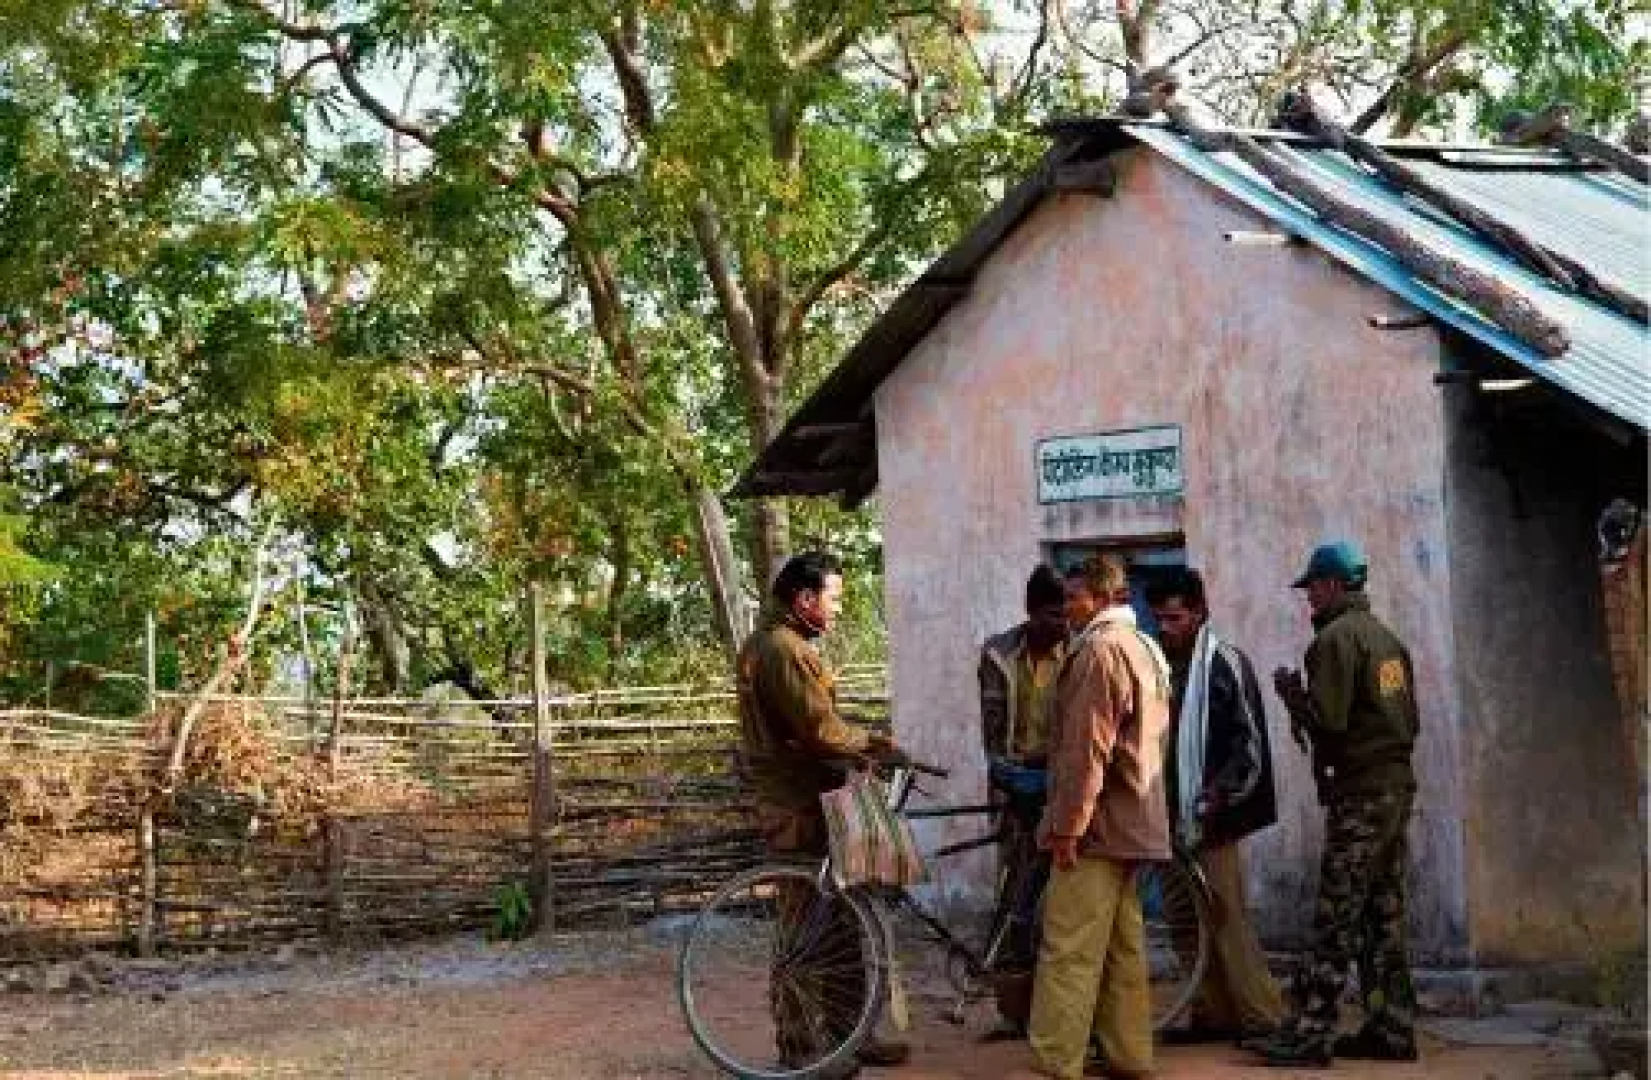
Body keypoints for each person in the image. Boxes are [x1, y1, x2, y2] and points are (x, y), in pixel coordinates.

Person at [1245, 541, 1421, 1067]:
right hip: (1394, 787)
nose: (1309, 599)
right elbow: (1406, 717)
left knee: (1336, 912)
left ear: (1334, 585)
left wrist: (1293, 698)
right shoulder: (1385, 639)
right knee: (1382, 913)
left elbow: (1331, 721)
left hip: (1362, 793)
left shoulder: (1335, 642)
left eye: (1314, 588)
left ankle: (1310, 1030)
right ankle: (1392, 1027)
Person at [735, 551, 911, 1077]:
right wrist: (877, 745)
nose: (836, 609)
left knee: (840, 922)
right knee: (804, 933)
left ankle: (849, 1036)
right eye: (833, 598)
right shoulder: (782, 650)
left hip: (819, 802)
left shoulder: (782, 645)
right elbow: (821, 731)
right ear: (804, 599)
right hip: (798, 809)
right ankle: (800, 1047)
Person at [1027, 554, 1173, 1080]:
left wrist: (1067, 828)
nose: (1067, 609)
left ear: (1106, 598)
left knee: (1069, 948)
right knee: (1121, 950)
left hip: (1098, 827)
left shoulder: (1099, 651)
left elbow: (1087, 754)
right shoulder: (1143, 649)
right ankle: (1130, 1056)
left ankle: (1054, 1060)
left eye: (1075, 598)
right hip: (1132, 823)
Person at [1144, 567, 1284, 1043]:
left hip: (1213, 818)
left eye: (1176, 618)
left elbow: (1250, 748)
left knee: (1226, 917)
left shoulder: (1225, 663)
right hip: (1162, 817)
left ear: (1201, 613)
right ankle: (1212, 1013)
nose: (1166, 628)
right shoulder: (1154, 665)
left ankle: (1263, 1017)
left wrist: (1219, 794)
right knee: (1184, 920)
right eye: (1160, 619)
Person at [977, 564, 1070, 1039]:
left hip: (1061, 786)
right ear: (1031, 611)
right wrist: (1009, 773)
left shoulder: (1076, 652)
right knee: (1015, 896)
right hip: (1017, 787)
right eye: (1053, 614)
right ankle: (1016, 1009)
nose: (1062, 623)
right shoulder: (998, 655)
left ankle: (1057, 1007)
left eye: (1067, 613)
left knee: (1062, 900)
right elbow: (991, 734)